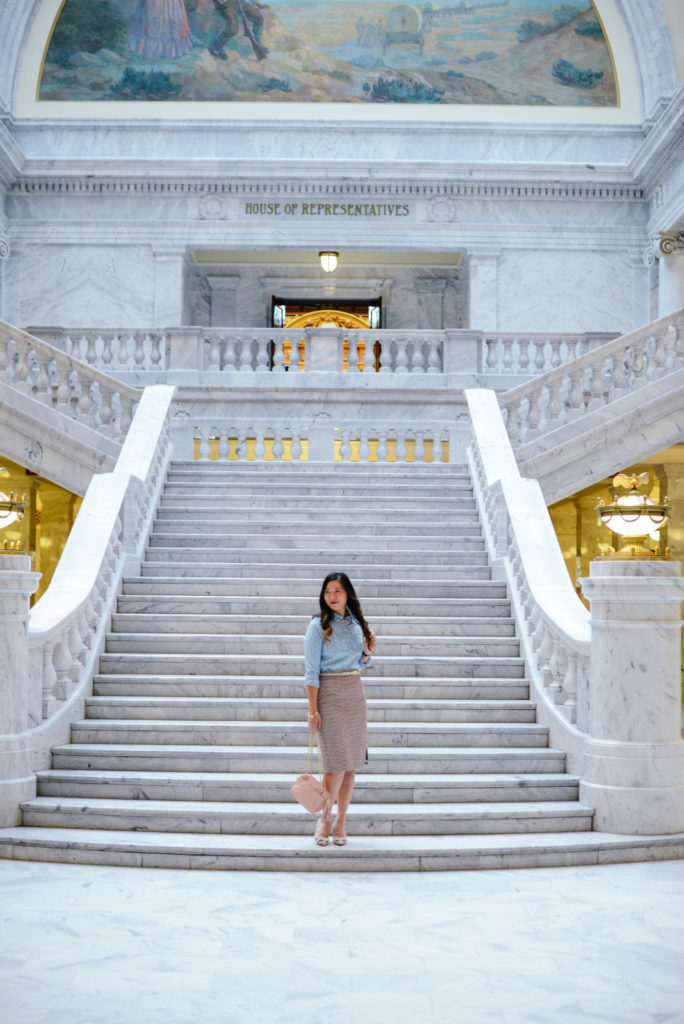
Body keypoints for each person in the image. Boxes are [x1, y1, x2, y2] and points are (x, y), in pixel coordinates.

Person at [304, 572, 376, 847]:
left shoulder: (357, 624)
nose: (332, 596)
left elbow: (362, 663)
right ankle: (324, 819)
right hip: (329, 694)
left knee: (351, 764)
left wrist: (367, 652)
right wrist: (313, 710)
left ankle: (342, 822)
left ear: (348, 594)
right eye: (327, 591)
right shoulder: (317, 626)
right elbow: (311, 671)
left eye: (337, 591)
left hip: (354, 694)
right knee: (334, 765)